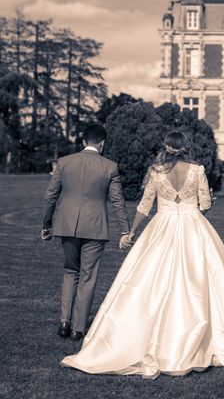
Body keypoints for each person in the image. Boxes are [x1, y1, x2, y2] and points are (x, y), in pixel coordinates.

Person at [61, 131, 224, 379]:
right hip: (193, 226)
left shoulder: (156, 171)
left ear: (166, 148)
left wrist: (132, 231)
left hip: (162, 226)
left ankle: (140, 338)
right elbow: (206, 204)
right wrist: (195, 211)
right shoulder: (197, 170)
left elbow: (145, 205)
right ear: (186, 147)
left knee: (148, 281)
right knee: (201, 281)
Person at [41, 123, 130, 341]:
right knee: (88, 276)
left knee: (70, 271)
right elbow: (118, 202)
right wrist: (125, 230)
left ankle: (64, 321)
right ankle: (78, 329)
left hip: (67, 225)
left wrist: (46, 224)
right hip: (95, 227)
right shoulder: (110, 166)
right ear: (102, 143)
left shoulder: (64, 162)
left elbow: (50, 196)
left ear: (83, 142)